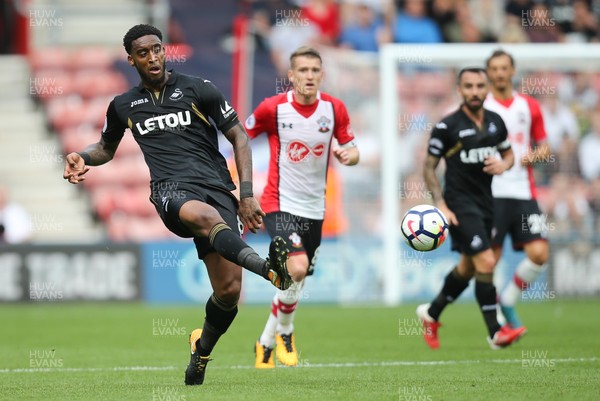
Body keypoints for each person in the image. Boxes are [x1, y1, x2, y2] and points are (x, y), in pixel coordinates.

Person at [62, 24, 293, 386]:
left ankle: (200, 351)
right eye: (143, 53)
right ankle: (268, 269)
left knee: (229, 292)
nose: (152, 57)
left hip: (218, 188)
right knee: (202, 216)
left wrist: (246, 195)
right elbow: (105, 148)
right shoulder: (123, 105)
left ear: (164, 50)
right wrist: (81, 156)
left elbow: (239, 137)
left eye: (157, 49)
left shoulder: (199, 89)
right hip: (170, 191)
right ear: (131, 59)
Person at [243, 46, 359, 368]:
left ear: (321, 74)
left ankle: (265, 341)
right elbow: (241, 137)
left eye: (314, 70)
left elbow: (352, 148)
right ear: (291, 76)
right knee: (295, 268)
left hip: (314, 208)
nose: (309, 76)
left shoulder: (334, 109)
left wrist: (351, 156)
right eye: (303, 71)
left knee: (296, 280)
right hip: (278, 202)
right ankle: (287, 332)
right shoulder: (273, 108)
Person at [417, 67, 526, 350]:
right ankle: (495, 332)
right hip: (458, 204)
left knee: (467, 267)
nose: (474, 92)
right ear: (459, 90)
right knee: (487, 262)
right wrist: (440, 204)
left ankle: (431, 313)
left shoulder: (495, 122)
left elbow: (509, 154)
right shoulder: (447, 126)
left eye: (479, 86)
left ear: (487, 88)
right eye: (468, 86)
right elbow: (429, 167)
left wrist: (504, 164)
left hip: (486, 203)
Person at [484, 49, 551, 329]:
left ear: (512, 71)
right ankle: (497, 320)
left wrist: (531, 157)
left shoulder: (529, 106)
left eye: (504, 68)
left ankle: (508, 299)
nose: (499, 73)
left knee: (539, 254)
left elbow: (545, 148)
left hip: (524, 191)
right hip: (492, 192)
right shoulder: (481, 108)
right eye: (494, 68)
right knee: (491, 258)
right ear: (489, 73)